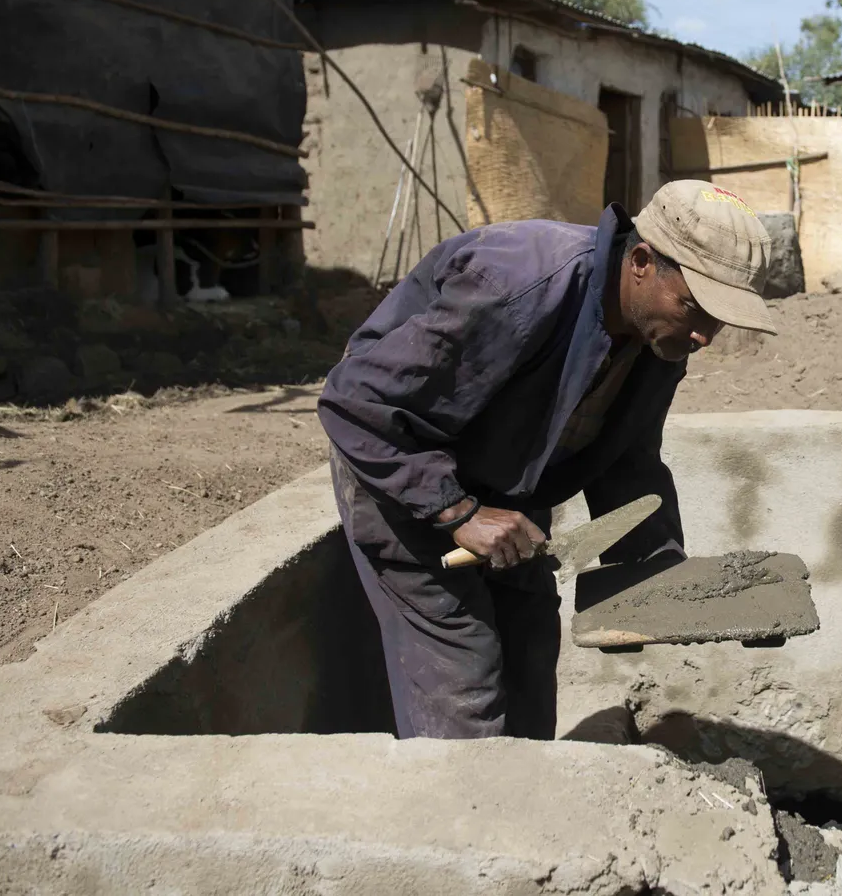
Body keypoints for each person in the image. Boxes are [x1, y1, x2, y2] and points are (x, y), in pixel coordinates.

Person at [318, 180, 776, 741]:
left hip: (505, 482)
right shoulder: (517, 285)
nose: (707, 334)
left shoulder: (661, 334)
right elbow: (358, 403)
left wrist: (658, 583)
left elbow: (628, 458)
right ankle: (458, 819)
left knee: (530, 651)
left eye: (720, 316)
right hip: (401, 465)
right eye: (695, 307)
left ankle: (528, 816)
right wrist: (458, 514)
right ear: (640, 262)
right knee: (466, 680)